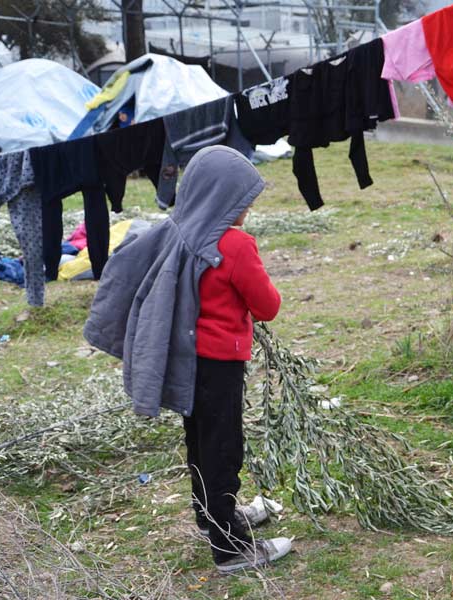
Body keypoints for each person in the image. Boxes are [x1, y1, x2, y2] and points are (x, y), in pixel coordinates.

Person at [83, 145, 291, 574]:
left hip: (186, 361)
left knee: (200, 443)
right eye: (243, 201)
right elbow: (268, 306)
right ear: (221, 199)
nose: (247, 209)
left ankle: (211, 517)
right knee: (223, 451)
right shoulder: (235, 245)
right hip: (220, 365)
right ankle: (230, 548)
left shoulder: (178, 232)